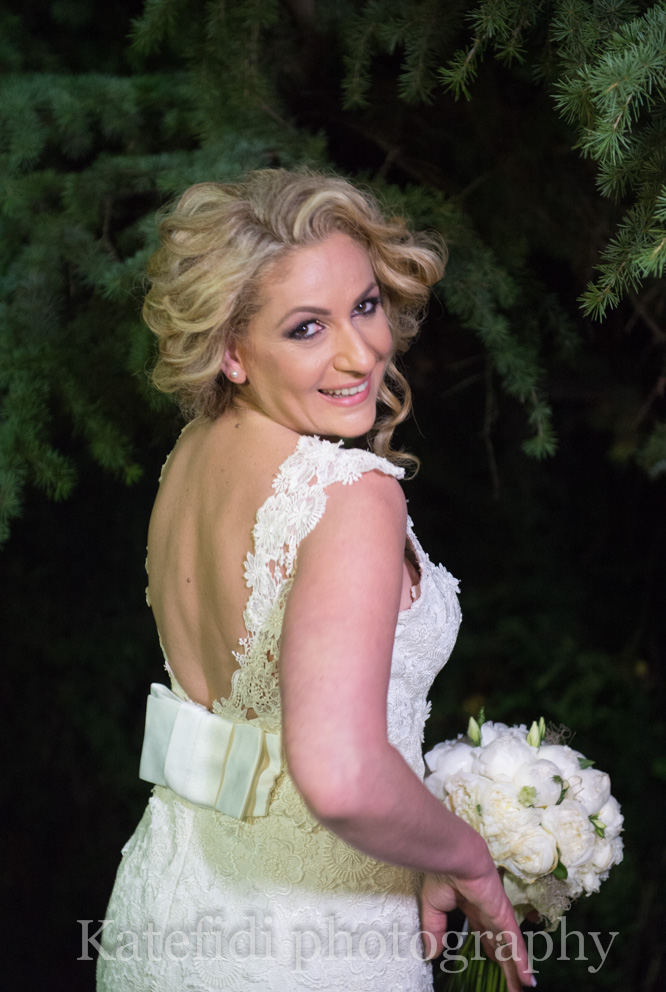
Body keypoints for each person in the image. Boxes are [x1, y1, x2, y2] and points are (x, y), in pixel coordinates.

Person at [97, 169, 533, 991]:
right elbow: (339, 776)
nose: (361, 353)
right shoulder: (350, 499)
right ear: (231, 351)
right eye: (306, 328)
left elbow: (232, 737)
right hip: (311, 943)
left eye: (364, 306)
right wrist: (467, 856)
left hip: (162, 918)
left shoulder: (191, 456)